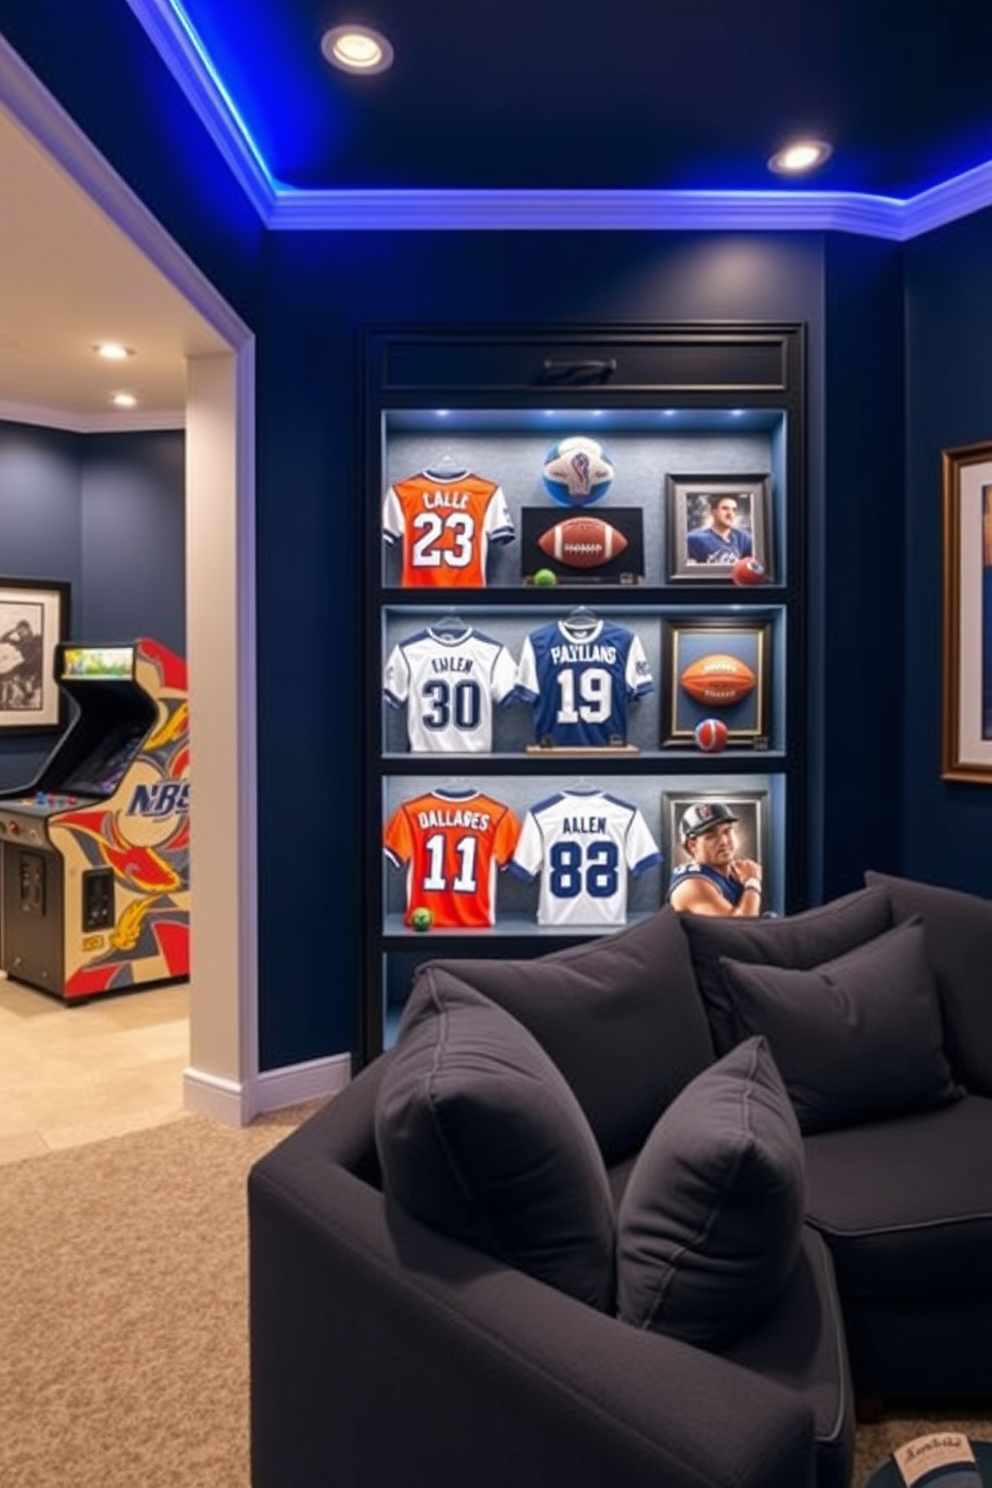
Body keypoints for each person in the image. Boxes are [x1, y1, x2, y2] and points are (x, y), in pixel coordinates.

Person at [667, 801, 763, 916]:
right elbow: (741, 928)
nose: (724, 841)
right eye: (711, 836)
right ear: (693, 845)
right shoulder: (692, 884)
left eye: (727, 831)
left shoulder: (735, 872)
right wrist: (752, 882)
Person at [686, 493, 753, 565]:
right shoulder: (694, 539)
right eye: (725, 509)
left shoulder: (744, 539)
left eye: (734, 510)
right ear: (713, 512)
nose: (730, 514)